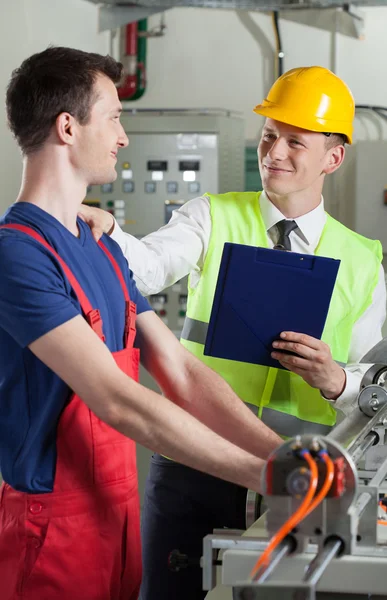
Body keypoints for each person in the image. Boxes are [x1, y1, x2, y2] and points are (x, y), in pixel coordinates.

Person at [80, 66, 386, 600]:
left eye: (296, 142)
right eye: (270, 136)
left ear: (333, 158)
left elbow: (368, 387)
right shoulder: (210, 216)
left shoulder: (363, 260)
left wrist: (335, 379)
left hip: (296, 471)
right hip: (193, 460)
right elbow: (148, 267)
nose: (275, 153)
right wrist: (112, 235)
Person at [0, 46, 283, 600]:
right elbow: (117, 399)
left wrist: (284, 455)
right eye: (113, 116)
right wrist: (270, 480)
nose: (122, 136)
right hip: (52, 532)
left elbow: (179, 370)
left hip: (117, 515)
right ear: (66, 127)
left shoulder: (101, 246)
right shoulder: (18, 253)